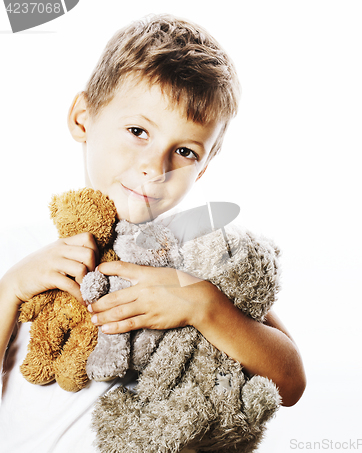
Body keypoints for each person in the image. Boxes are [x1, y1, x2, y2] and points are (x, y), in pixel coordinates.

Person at [0, 13, 306, 452]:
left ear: (201, 172)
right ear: (82, 118)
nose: (155, 168)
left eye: (184, 151)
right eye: (137, 131)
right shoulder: (17, 253)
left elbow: (290, 380)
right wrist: (10, 288)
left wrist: (203, 304)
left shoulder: (192, 258)